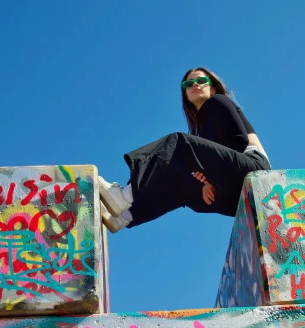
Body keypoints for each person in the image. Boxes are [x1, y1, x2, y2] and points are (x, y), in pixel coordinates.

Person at [99, 67, 270, 232]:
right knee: (179, 185)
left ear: (212, 86)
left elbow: (238, 140)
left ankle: (123, 196)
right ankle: (125, 216)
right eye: (189, 84)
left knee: (179, 143)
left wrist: (211, 179)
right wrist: (210, 178)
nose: (195, 85)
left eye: (201, 81)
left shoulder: (217, 102)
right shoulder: (201, 130)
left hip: (254, 171)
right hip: (236, 199)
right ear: (186, 94)